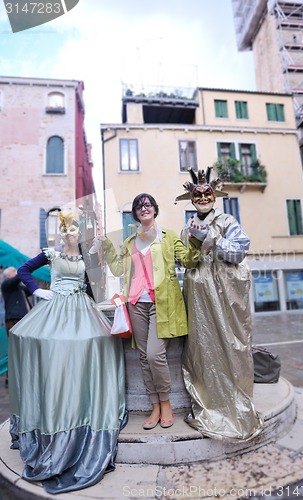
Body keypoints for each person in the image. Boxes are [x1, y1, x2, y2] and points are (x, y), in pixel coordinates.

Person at [8, 210, 127, 494]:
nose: (69, 235)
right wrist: (37, 290)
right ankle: (55, 411)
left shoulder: (86, 256)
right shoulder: (50, 254)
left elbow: (99, 281)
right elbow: (24, 270)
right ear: (61, 234)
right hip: (56, 307)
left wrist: (101, 253)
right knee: (50, 348)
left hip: (81, 308)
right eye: (66, 232)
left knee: (98, 343)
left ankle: (85, 404)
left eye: (73, 231)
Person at [91, 193, 200, 430]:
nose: (144, 208)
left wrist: (197, 239)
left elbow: (190, 261)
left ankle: (165, 402)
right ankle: (154, 405)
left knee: (153, 354)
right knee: (142, 356)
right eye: (139, 206)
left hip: (163, 303)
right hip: (135, 303)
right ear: (135, 213)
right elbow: (119, 269)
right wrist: (107, 245)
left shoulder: (168, 237)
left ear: (155, 209)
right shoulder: (130, 242)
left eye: (148, 204)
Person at [176, 168, 263, 440]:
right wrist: (191, 244)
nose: (203, 197)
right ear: (191, 198)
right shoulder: (187, 226)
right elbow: (185, 262)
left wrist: (209, 238)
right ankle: (211, 404)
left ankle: (235, 409)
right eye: (197, 194)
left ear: (215, 195)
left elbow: (239, 251)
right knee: (204, 351)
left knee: (231, 349)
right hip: (200, 301)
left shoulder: (227, 220)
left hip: (225, 300)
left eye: (207, 193)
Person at [1, 266, 31, 387]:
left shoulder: (19, 287)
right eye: (14, 271)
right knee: (15, 349)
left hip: (23, 319)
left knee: (22, 349)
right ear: (8, 274)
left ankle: (21, 375)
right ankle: (11, 376)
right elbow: (15, 279)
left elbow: (30, 290)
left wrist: (27, 278)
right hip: (15, 320)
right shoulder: (6, 284)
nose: (16, 273)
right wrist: (23, 271)